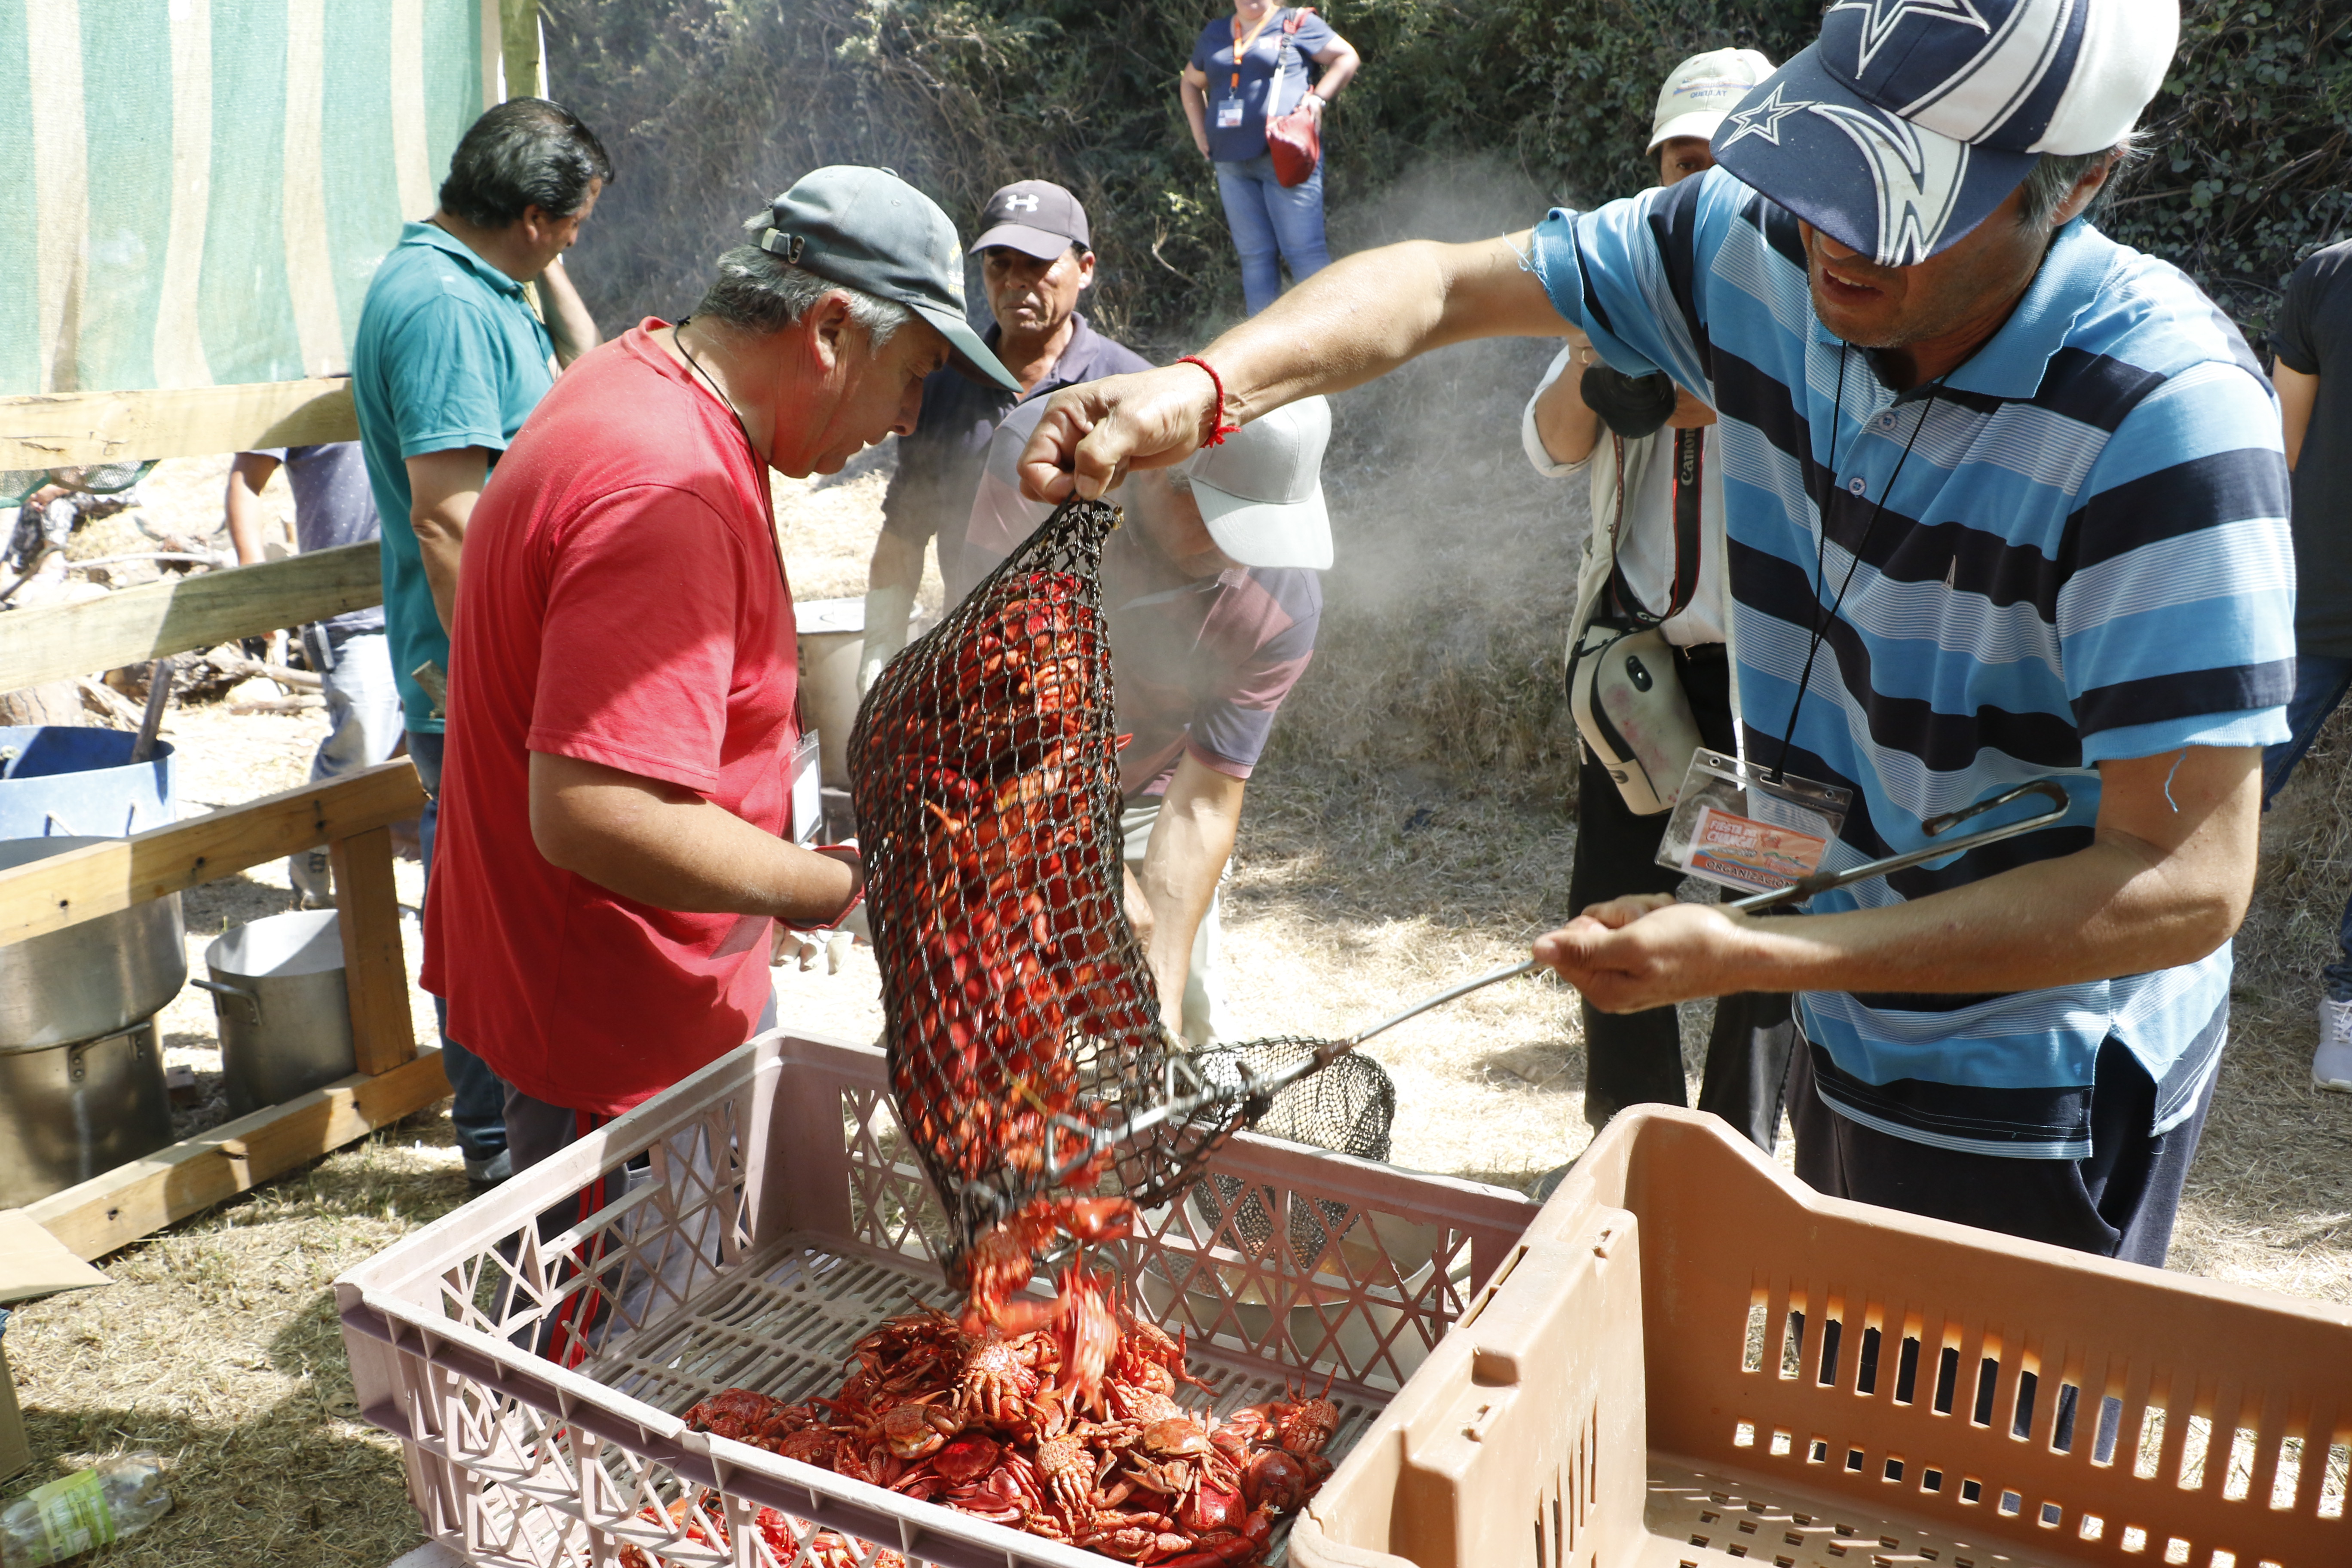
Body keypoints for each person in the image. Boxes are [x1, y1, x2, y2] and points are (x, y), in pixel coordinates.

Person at [1020, 0, 2291, 1267]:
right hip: (1845, 1014)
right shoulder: (1752, 250)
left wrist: (1760, 947)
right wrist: (1206, 387)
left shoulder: (2163, 421)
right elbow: (1441, 284)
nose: (1831, 237)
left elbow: (2181, 878)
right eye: (1829, 163)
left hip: (2037, 1083)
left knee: (1973, 1454)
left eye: (1901, 204)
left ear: (2076, 187)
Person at [425, 167, 1020, 1177]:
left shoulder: (636, 374)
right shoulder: (667, 487)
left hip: (602, 986)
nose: (912, 417)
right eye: (913, 373)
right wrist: (844, 885)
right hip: (613, 1044)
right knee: (618, 1330)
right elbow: (595, 810)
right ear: (829, 330)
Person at [1521, 48, 1788, 1150]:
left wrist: (1684, 389)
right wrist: (1596, 343)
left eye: (1722, 161)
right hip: (1636, 663)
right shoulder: (1617, 294)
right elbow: (1549, 442)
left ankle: (1730, 1159)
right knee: (1608, 909)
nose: (1698, 182)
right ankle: (1620, 1141)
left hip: (1760, 675)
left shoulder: (1805, 302)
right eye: (1681, 160)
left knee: (1754, 920)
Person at [351, 95, 610, 1188]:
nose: (577, 242)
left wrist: (541, 260)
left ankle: (522, 1132)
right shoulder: (444, 310)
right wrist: (503, 683)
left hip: (494, 661)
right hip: (471, 677)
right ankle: (498, 1153)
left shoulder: (482, 284)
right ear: (533, 214)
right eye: (575, 223)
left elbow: (585, 365)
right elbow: (448, 518)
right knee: (492, 911)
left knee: (503, 897)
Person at [963, 397, 1329, 1042]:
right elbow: (985, 693)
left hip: (1146, 788)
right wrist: (1083, 858)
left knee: (1169, 1016)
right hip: (999, 767)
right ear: (1159, 469)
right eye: (1225, 521)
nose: (1239, 553)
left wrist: (1155, 989)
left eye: (1260, 529)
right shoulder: (1043, 463)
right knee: (990, 1000)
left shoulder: (1283, 602)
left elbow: (1204, 806)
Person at [859, 180, 1151, 692]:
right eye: (1000, 263)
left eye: (1037, 264)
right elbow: (906, 529)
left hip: (1097, 669)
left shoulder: (1130, 391)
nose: (1016, 281)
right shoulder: (942, 382)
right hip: (974, 662)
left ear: (1084, 270)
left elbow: (1165, 541)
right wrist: (880, 650)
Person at [223, 443, 403, 908]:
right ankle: (314, 873)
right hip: (345, 605)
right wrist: (253, 577)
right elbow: (247, 479)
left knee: (424, 742)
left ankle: (398, 867)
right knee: (361, 740)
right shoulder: (304, 384)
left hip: (420, 592)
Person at [2255, 238, 2352, 1091]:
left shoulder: (2327, 272)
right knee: (2229, 778)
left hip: (2309, 594)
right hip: (2311, 600)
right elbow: (2280, 451)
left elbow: (2283, 446)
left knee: (2231, 777)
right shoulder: (2328, 275)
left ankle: (2348, 1005)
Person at [1180, 0, 1360, 317]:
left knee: (1304, 252)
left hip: (1285, 155)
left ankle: (1337, 343)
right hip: (1231, 161)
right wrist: (1199, 132)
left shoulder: (1296, 23)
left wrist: (1318, 99)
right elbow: (1191, 82)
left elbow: (1347, 57)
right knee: (1255, 257)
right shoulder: (1216, 32)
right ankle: (1266, 358)